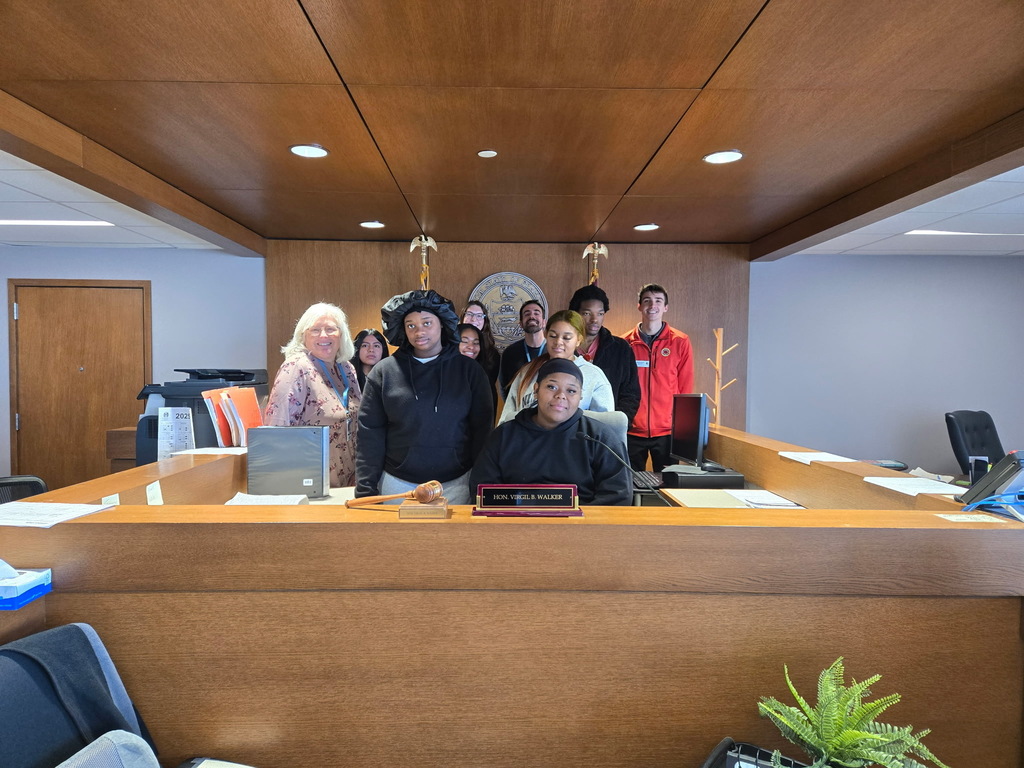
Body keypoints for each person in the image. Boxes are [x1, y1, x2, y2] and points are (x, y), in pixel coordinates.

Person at [356, 289, 494, 504]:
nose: (419, 331)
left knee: (452, 539)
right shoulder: (384, 372)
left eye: (427, 323)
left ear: (442, 324)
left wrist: (481, 485)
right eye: (411, 325)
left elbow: (482, 431)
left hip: (455, 483)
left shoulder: (470, 371)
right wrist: (365, 489)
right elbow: (369, 434)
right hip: (397, 483)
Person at [470, 358, 631, 506]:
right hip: (517, 527)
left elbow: (617, 495)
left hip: (581, 529)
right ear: (536, 389)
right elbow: (483, 491)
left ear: (581, 396)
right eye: (551, 387)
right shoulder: (503, 436)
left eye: (571, 391)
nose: (561, 396)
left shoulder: (599, 438)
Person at [265, 302, 361, 487]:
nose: (323, 335)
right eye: (315, 330)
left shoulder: (346, 368)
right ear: (303, 336)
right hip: (311, 479)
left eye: (330, 329)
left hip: (348, 477)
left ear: (341, 334)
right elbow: (277, 430)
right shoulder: (296, 368)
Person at [623, 283, 694, 471]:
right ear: (639, 306)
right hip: (632, 429)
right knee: (630, 485)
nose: (652, 305)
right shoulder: (624, 343)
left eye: (658, 301)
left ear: (665, 308)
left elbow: (685, 387)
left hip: (667, 430)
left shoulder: (680, 341)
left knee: (669, 487)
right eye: (647, 301)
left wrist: (680, 426)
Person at [499, 309, 613, 424]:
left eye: (566, 338)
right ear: (546, 336)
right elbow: (507, 418)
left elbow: (604, 426)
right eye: (553, 336)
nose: (558, 342)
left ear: (578, 340)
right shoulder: (528, 371)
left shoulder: (594, 375)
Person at [568, 283, 641, 425]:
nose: (594, 320)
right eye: (587, 313)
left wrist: (615, 424)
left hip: (608, 429)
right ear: (575, 314)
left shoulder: (621, 348)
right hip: (568, 428)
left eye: (600, 314)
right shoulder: (563, 347)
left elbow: (631, 394)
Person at [498, 299, 546, 397]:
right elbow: (504, 387)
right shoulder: (510, 352)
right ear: (520, 323)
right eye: (527, 314)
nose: (532, 316)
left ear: (544, 322)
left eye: (536, 313)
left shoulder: (555, 349)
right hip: (519, 409)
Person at [459, 300, 500, 410]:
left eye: (479, 315)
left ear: (484, 320)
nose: (474, 319)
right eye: (469, 314)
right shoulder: (448, 347)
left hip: (482, 406)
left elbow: (489, 387)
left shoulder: (492, 354)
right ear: (462, 317)